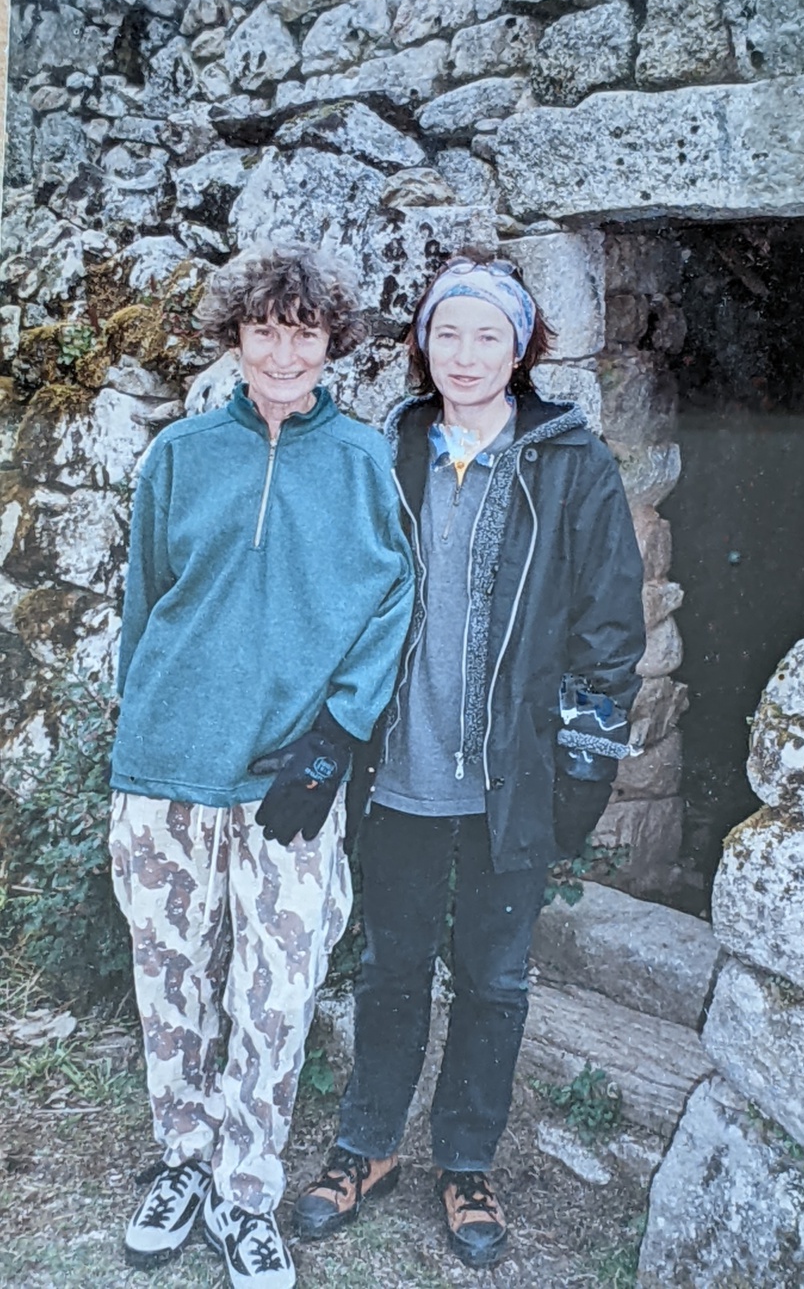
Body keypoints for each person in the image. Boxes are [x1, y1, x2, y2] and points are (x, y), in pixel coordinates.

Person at [291, 254, 646, 1268]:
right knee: (391, 966)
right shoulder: (389, 449)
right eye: (448, 332)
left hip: (509, 777)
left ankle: (466, 1161)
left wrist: (584, 762)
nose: (466, 354)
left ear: (523, 347)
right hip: (397, 770)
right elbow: (343, 599)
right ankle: (365, 1148)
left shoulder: (570, 461)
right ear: (423, 344)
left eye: (489, 334)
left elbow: (611, 623)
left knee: (493, 979)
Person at [109, 245, 414, 1289]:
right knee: (173, 982)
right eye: (264, 330)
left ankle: (244, 1189)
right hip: (164, 770)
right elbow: (145, 604)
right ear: (235, 338)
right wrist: (143, 726)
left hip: (289, 777)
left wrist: (334, 737)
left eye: (305, 332)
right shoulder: (181, 455)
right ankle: (183, 1161)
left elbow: (393, 602)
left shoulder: (364, 461)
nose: (284, 352)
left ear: (332, 344)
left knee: (275, 994)